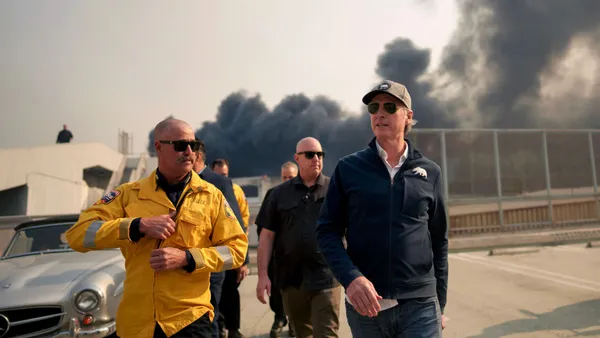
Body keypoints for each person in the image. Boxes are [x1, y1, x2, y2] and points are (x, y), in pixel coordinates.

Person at [66, 118, 248, 338]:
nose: (190, 151)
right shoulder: (128, 194)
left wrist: (187, 258)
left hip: (189, 320)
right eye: (181, 145)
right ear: (159, 147)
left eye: (194, 145)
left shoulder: (212, 196)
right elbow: (77, 234)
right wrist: (136, 225)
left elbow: (237, 250)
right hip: (138, 323)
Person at [315, 80, 449, 338]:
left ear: (408, 115)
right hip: (367, 307)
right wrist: (351, 278)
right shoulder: (348, 169)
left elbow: (439, 240)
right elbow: (327, 232)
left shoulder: (429, 172)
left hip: (420, 305)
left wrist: (438, 304)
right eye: (374, 107)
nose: (380, 113)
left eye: (390, 107)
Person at [256, 138, 341, 338]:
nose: (316, 159)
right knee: (302, 333)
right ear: (297, 158)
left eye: (320, 155)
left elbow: (352, 229)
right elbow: (267, 236)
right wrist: (262, 276)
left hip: (326, 277)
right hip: (291, 279)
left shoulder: (335, 190)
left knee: (327, 333)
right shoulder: (278, 194)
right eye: (310, 155)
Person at [193, 146, 249, 338]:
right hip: (189, 262)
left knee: (213, 313)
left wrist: (243, 259)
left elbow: (237, 222)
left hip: (215, 260)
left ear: (197, 155)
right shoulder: (180, 182)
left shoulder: (222, 184)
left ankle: (232, 329)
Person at [255, 161, 298, 338]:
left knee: (296, 292)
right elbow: (263, 226)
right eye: (284, 177)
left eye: (291, 177)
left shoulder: (303, 195)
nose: (287, 180)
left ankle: (295, 321)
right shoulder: (273, 195)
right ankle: (279, 317)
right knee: (276, 291)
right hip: (276, 255)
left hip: (296, 255)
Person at [210, 158, 249, 338]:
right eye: (219, 175)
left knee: (231, 292)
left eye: (225, 175)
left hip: (231, 251)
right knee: (215, 296)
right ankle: (219, 328)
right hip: (212, 253)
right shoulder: (204, 191)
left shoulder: (236, 191)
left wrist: (243, 260)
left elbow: (243, 224)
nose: (223, 179)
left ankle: (234, 329)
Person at [211, 158, 250, 228]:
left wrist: (243, 232)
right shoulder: (207, 191)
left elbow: (244, 214)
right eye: (218, 175)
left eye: (224, 175)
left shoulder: (237, 190)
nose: (221, 178)